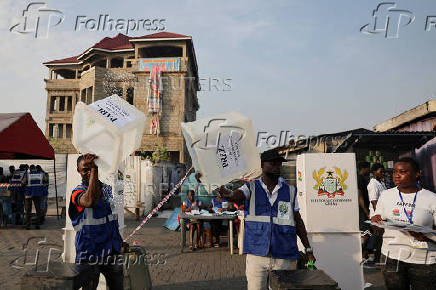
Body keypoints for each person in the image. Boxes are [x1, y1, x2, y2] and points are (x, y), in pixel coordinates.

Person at [218, 149, 315, 290]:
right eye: (273, 163)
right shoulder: (250, 188)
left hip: (283, 255)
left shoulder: (290, 191)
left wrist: (308, 249)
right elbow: (233, 195)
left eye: (279, 163)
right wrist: (219, 188)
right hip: (257, 254)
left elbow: (298, 222)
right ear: (262, 165)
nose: (277, 166)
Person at [371, 157, 436, 289]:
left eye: (402, 172)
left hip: (423, 259)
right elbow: (377, 224)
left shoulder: (431, 198)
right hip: (391, 257)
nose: (396, 176)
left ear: (417, 174)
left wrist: (426, 236)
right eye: (394, 172)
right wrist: (375, 221)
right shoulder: (386, 195)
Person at [68, 154, 123, 290]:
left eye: (91, 168)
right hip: (89, 251)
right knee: (90, 286)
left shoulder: (107, 190)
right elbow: (90, 201)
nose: (88, 172)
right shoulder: (77, 192)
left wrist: (119, 241)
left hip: (111, 250)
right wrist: (94, 171)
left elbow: (111, 218)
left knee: (118, 286)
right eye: (85, 169)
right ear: (78, 171)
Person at [367, 163, 387, 262]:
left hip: (382, 215)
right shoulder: (373, 183)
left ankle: (378, 258)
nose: (383, 173)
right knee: (378, 237)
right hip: (377, 216)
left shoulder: (381, 183)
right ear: (374, 172)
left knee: (380, 238)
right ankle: (376, 259)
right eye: (381, 172)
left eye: (384, 172)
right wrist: (377, 216)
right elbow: (374, 201)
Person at [23, 164, 44, 229]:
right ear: (35, 168)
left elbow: (23, 182)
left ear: (30, 169)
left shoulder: (28, 174)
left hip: (28, 194)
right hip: (38, 193)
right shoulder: (40, 174)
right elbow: (45, 180)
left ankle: (28, 226)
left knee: (28, 210)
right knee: (38, 210)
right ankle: (37, 225)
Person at [357, 161, 371, 259]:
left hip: (365, 210)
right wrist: (366, 211)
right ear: (364, 168)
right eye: (368, 168)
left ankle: (364, 255)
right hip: (362, 212)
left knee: (368, 233)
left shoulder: (363, 179)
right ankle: (361, 256)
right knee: (365, 233)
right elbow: (359, 196)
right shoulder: (359, 179)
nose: (369, 171)